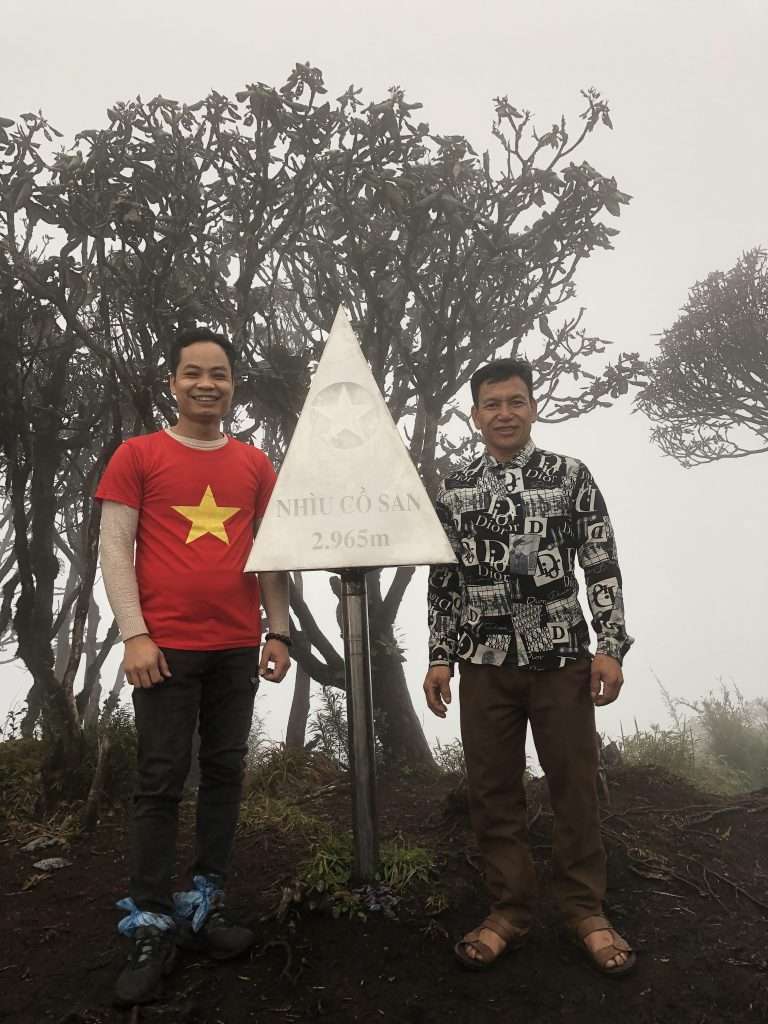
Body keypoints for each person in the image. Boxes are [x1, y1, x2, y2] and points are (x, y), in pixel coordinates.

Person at [95, 327, 291, 1006]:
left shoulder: (255, 464)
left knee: (225, 772)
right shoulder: (137, 455)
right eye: (193, 373)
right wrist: (134, 635)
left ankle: (204, 901)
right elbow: (115, 550)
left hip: (237, 647)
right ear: (172, 382)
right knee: (158, 779)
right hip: (163, 650)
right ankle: (150, 918)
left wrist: (280, 631)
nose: (207, 384)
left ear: (234, 386)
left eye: (220, 375)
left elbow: (268, 554)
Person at [423, 358, 636, 977]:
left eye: (515, 401)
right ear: (475, 415)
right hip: (483, 663)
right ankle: (508, 912)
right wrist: (441, 654)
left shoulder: (570, 477)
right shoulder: (455, 487)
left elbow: (601, 563)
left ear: (533, 407)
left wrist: (610, 645)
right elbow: (443, 580)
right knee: (492, 792)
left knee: (573, 785)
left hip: (561, 659)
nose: (505, 413)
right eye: (492, 404)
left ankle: (585, 910)